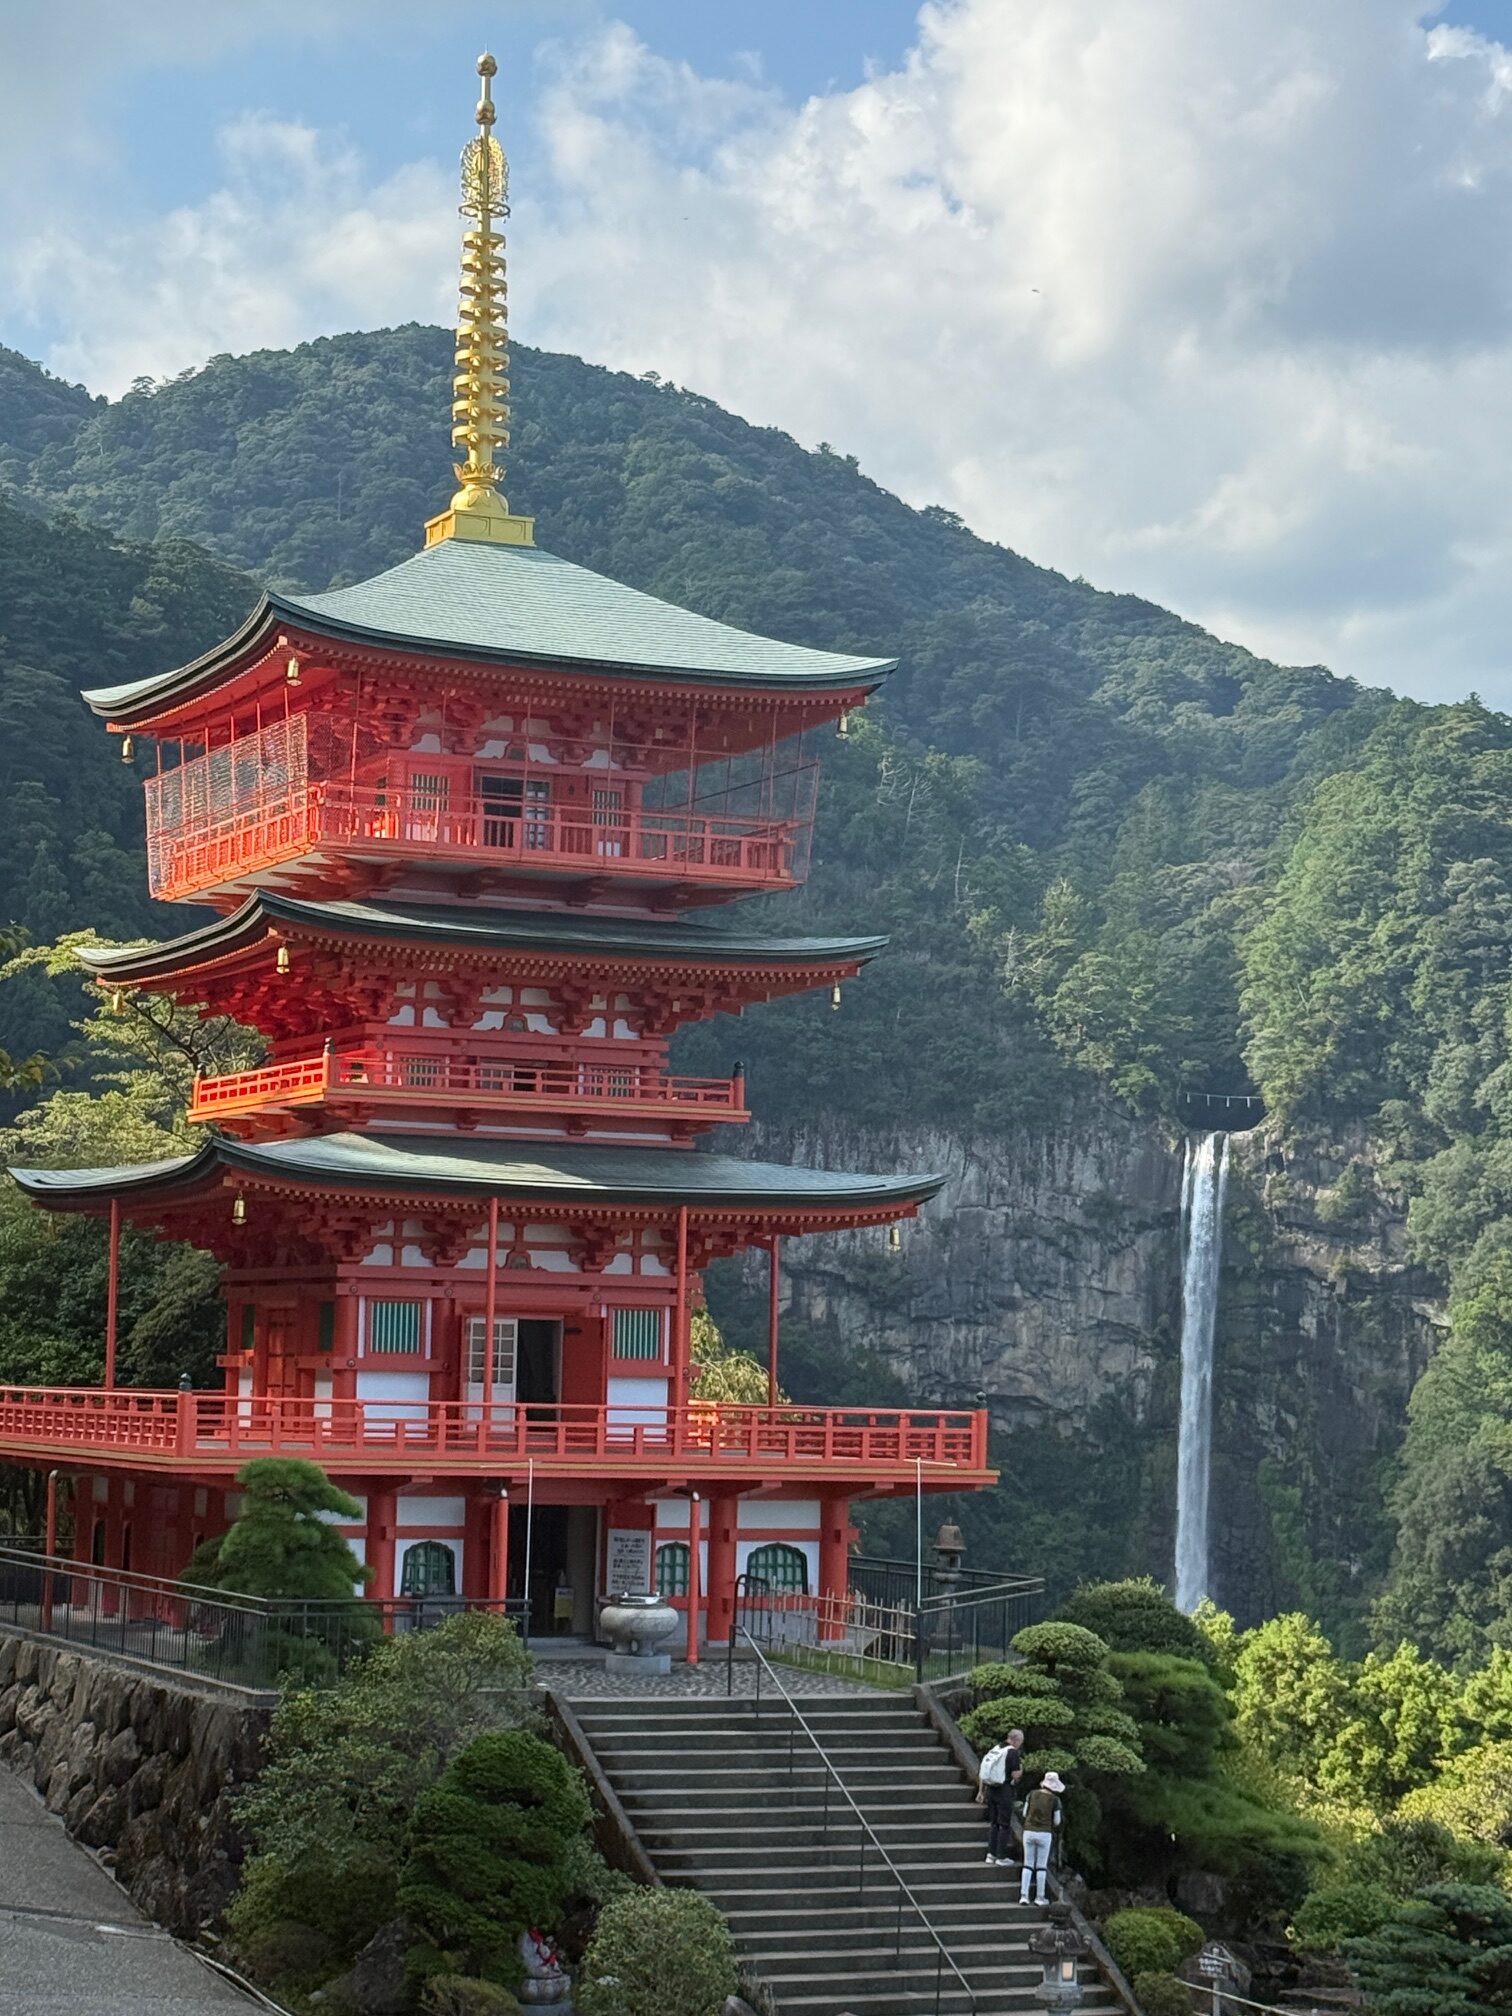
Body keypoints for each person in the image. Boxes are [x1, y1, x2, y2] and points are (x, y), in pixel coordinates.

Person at [975, 1727, 1023, 1864]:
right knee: (1004, 1824)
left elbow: (983, 1771)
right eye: (1020, 1742)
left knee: (994, 1823)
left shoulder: (996, 1749)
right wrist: (1021, 1772)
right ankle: (1001, 1856)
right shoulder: (1012, 1752)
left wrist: (980, 1791)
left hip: (990, 1790)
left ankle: (991, 1854)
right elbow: (1015, 1775)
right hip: (1004, 1790)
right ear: (1016, 1740)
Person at [1020, 1769, 1064, 1906]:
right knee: (1041, 1866)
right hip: (1045, 1833)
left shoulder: (1031, 1794)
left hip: (1028, 1831)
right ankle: (1040, 1897)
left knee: (1027, 1864)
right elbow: (1057, 1821)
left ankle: (1024, 1896)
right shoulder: (1055, 1800)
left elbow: (1024, 1813)